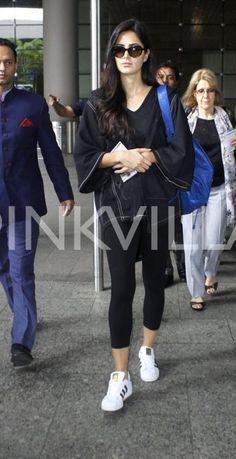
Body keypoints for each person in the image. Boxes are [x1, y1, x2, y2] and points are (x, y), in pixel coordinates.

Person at [74, 18, 194, 412]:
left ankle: (148, 350)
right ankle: (120, 376)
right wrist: (118, 156)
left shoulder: (166, 100)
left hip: (158, 205)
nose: (126, 56)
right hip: (116, 208)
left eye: (135, 49)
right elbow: (87, 155)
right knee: (122, 289)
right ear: (112, 54)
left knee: (156, 284)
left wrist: (152, 154)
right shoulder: (96, 103)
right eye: (120, 49)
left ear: (145, 54)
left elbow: (183, 153)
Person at [0, 38, 74, 368]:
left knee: (21, 269)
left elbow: (52, 152)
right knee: (4, 268)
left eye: (8, 61)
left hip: (22, 203)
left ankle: (22, 341)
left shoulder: (32, 105)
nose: (2, 67)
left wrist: (64, 191)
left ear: (16, 66)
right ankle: (24, 314)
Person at [181, 68, 236, 311]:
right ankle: (196, 291)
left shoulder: (226, 118)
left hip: (219, 188)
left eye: (210, 90)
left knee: (214, 242)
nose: (205, 95)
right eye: (200, 90)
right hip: (193, 191)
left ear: (216, 93)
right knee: (193, 244)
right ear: (194, 93)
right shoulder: (185, 119)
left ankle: (210, 273)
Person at [156, 59, 186, 287]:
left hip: (176, 169)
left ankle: (183, 267)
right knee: (161, 223)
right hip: (155, 170)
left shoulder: (182, 103)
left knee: (179, 223)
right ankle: (165, 268)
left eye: (170, 77)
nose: (165, 81)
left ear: (177, 81)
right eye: (161, 76)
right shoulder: (150, 101)